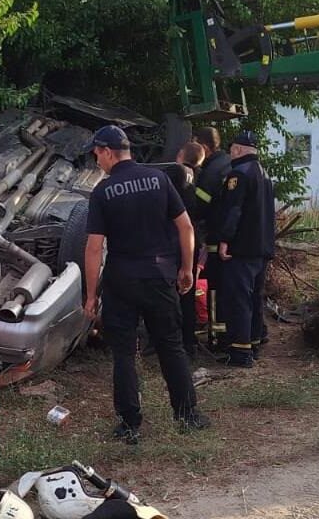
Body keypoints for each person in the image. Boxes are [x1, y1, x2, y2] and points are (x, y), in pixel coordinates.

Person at [82, 125, 209, 445]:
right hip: (159, 277)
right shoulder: (159, 179)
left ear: (108, 152)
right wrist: (186, 268)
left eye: (97, 154)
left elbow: (94, 247)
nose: (97, 161)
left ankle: (129, 425)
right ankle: (188, 415)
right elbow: (186, 227)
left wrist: (90, 294)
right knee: (171, 346)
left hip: (121, 281)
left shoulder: (102, 192)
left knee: (124, 354)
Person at [215, 130, 275, 368]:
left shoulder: (237, 174)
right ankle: (254, 341)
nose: (230, 154)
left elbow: (234, 210)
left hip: (242, 248)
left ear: (238, 150)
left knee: (239, 298)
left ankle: (240, 352)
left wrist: (224, 239)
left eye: (232, 150)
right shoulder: (264, 173)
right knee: (254, 296)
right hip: (262, 247)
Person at [193, 127, 231, 350]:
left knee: (215, 292)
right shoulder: (228, 162)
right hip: (231, 240)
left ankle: (217, 339)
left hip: (216, 240)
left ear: (205, 147)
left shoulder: (210, 172)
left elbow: (199, 208)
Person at [174, 141, 206, 358]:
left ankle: (171, 341)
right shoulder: (201, 177)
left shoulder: (175, 174)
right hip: (193, 240)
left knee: (171, 291)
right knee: (188, 290)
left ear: (180, 155)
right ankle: (189, 342)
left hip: (175, 240)